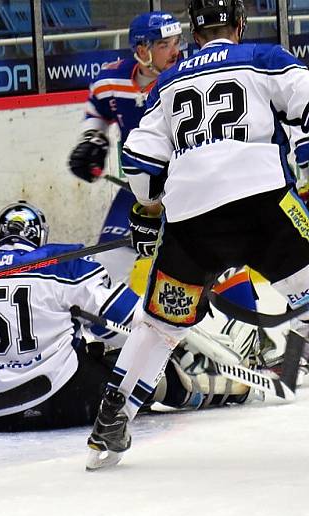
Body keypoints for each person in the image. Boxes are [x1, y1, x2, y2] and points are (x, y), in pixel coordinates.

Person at [86, 0, 309, 471]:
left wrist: (148, 213)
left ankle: (112, 418)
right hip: (263, 202)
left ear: (195, 32)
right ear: (240, 24)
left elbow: (141, 164)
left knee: (161, 324)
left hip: (191, 219)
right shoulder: (264, 58)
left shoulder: (169, 80)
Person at [0, 202, 257, 431]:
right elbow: (127, 325)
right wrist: (175, 326)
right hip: (64, 403)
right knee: (129, 364)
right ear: (38, 237)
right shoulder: (65, 263)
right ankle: (206, 391)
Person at [68, 11, 183, 287]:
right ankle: (120, 325)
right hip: (138, 188)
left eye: (177, 42)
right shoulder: (111, 80)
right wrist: (92, 141)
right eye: (164, 45)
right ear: (142, 50)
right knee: (108, 263)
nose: (175, 52)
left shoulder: (186, 77)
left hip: (185, 186)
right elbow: (98, 110)